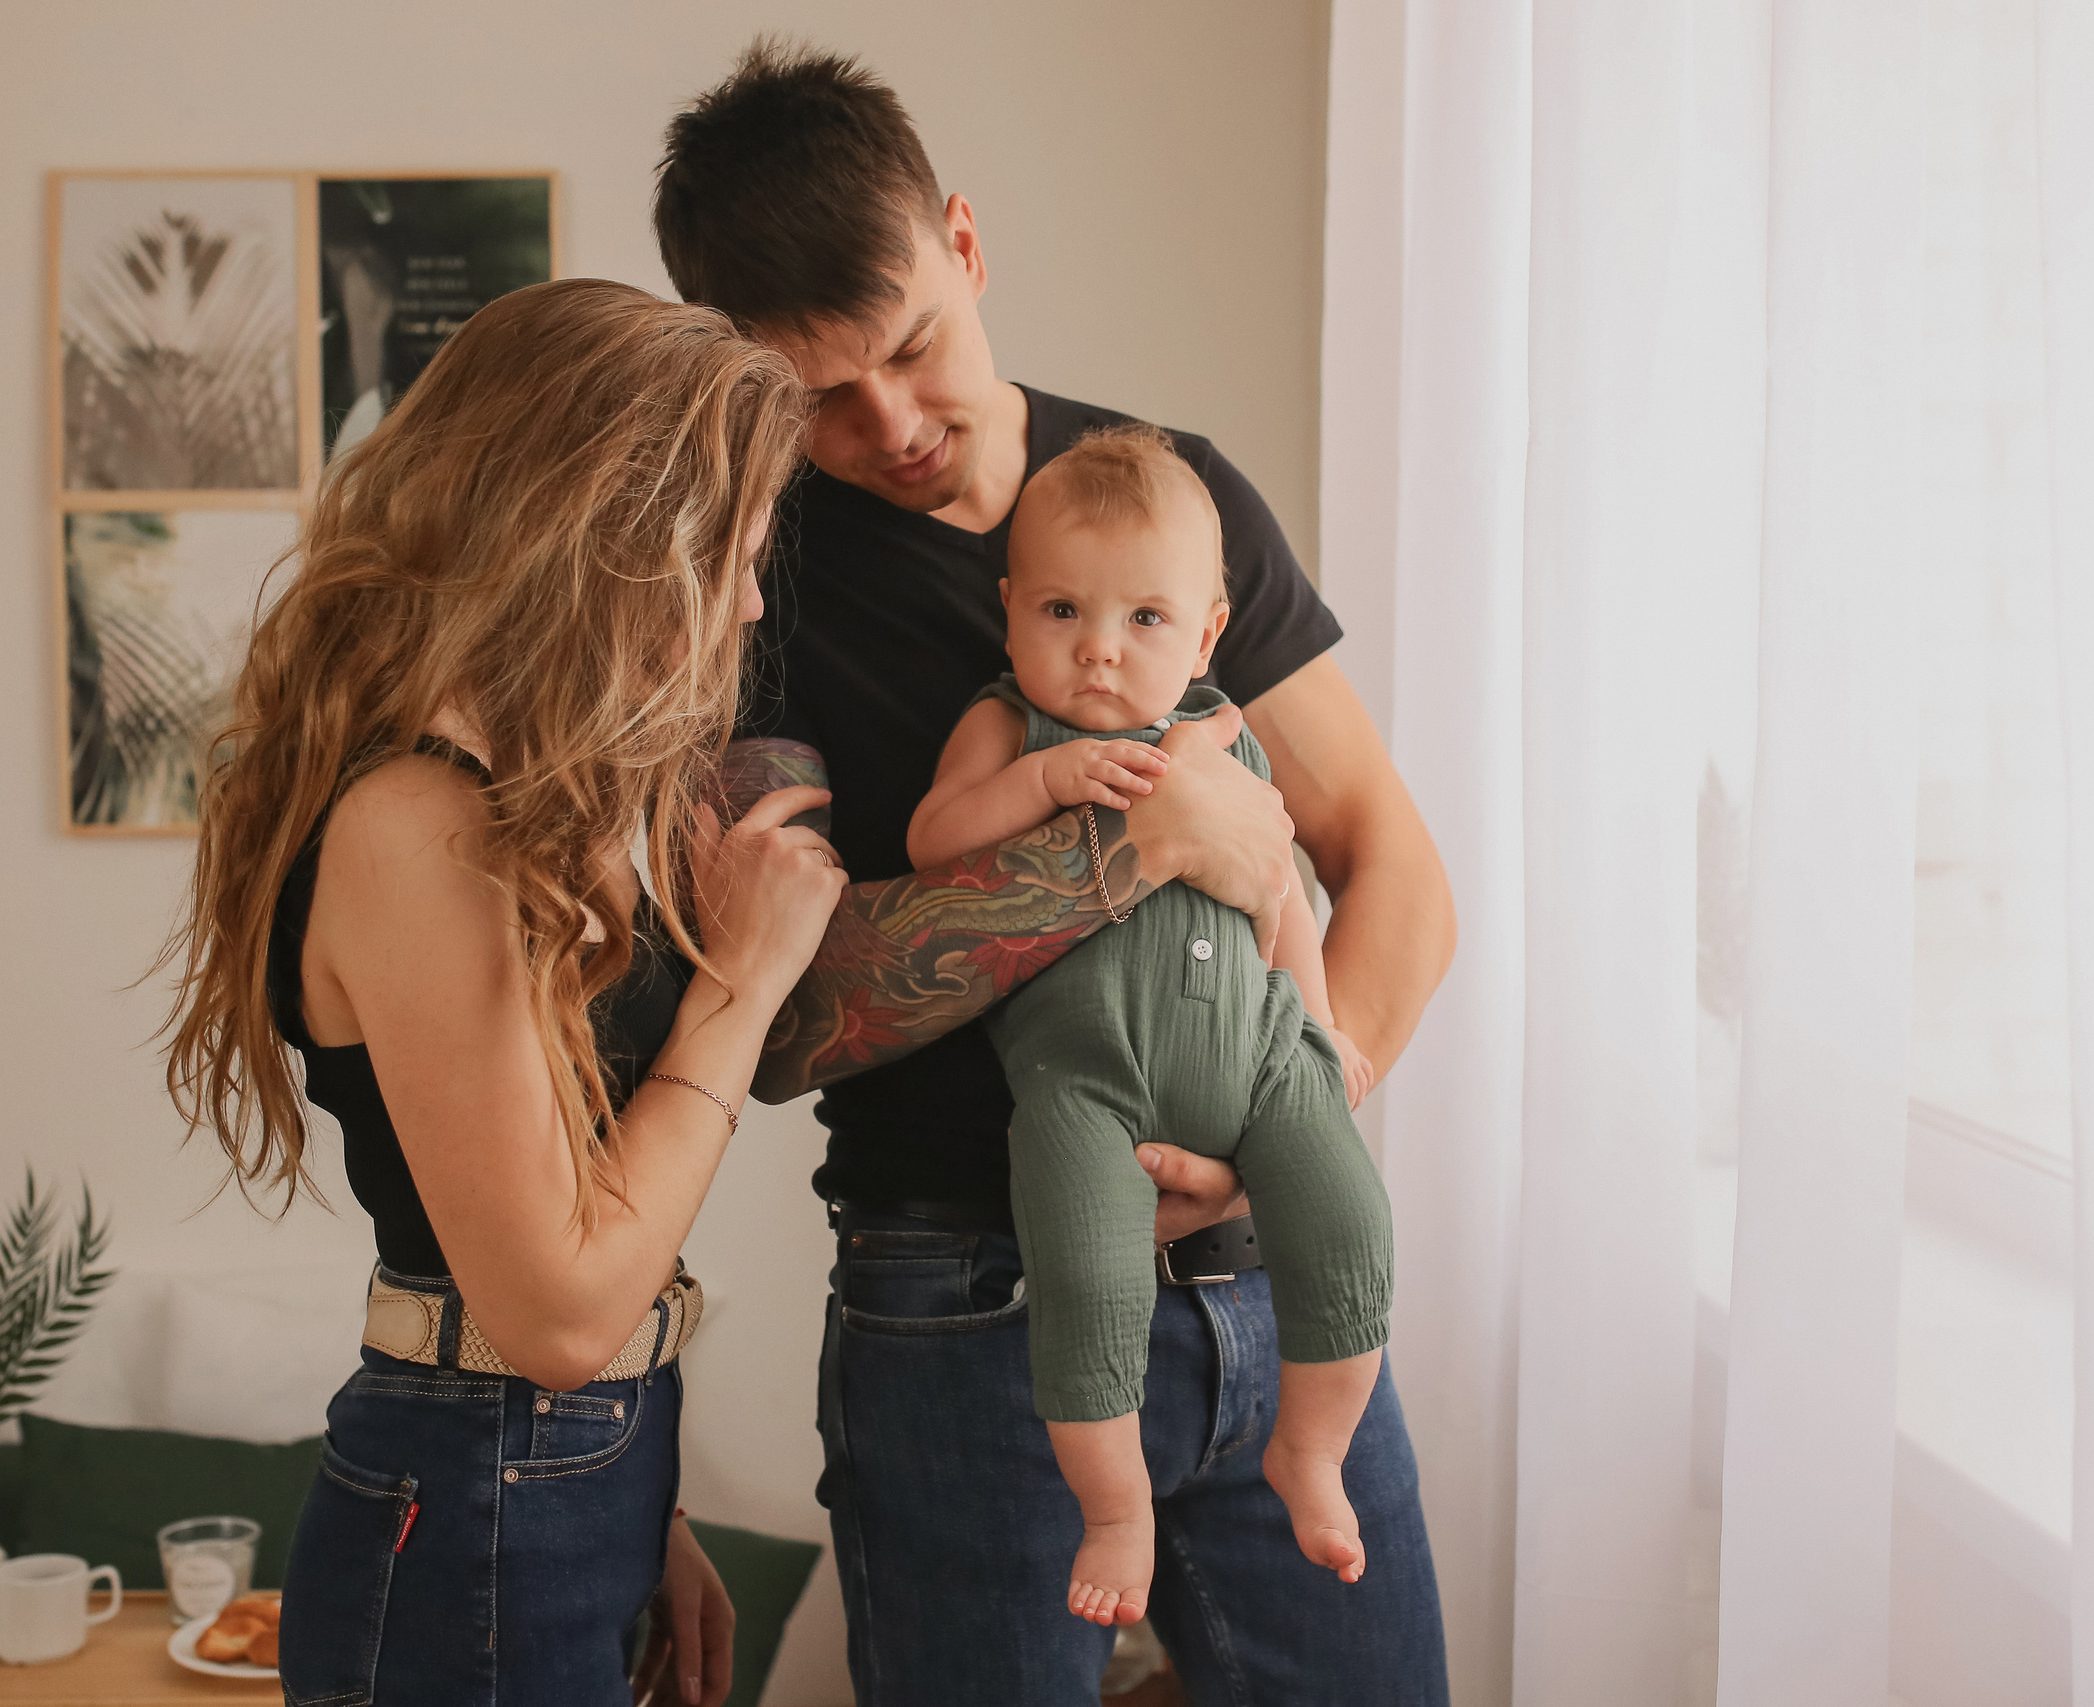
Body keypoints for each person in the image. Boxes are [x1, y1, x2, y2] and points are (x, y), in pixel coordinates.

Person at [655, 41, 1457, 1706]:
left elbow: (1393, 863)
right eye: (814, 394)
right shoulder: (753, 587)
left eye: (911, 351)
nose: (889, 427)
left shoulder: (1181, 498)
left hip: (1271, 1298)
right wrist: (1134, 845)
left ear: (965, 240)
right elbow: (790, 1015)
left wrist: (1295, 1112)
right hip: (963, 1311)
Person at [158, 277, 845, 1707]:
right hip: (481, 1485)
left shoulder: (515, 799)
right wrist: (745, 980)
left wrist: (633, 1491)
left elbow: (572, 1245)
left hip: (550, 1474)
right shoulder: (417, 819)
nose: (756, 596)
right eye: (739, 550)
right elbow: (550, 1311)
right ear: (617, 537)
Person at [907, 424, 1396, 1627]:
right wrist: (1038, 789)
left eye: (1143, 622)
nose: (1096, 655)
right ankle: (1113, 1509)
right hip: (1085, 1087)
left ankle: (1313, 1452)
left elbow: (1282, 885)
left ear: (1208, 633)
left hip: (1264, 1061)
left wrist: (1321, 1038)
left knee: (1347, 1226)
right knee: (1084, 1283)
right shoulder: (1006, 728)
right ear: (1011, 608)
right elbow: (929, 846)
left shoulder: (1227, 732)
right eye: (1063, 612)